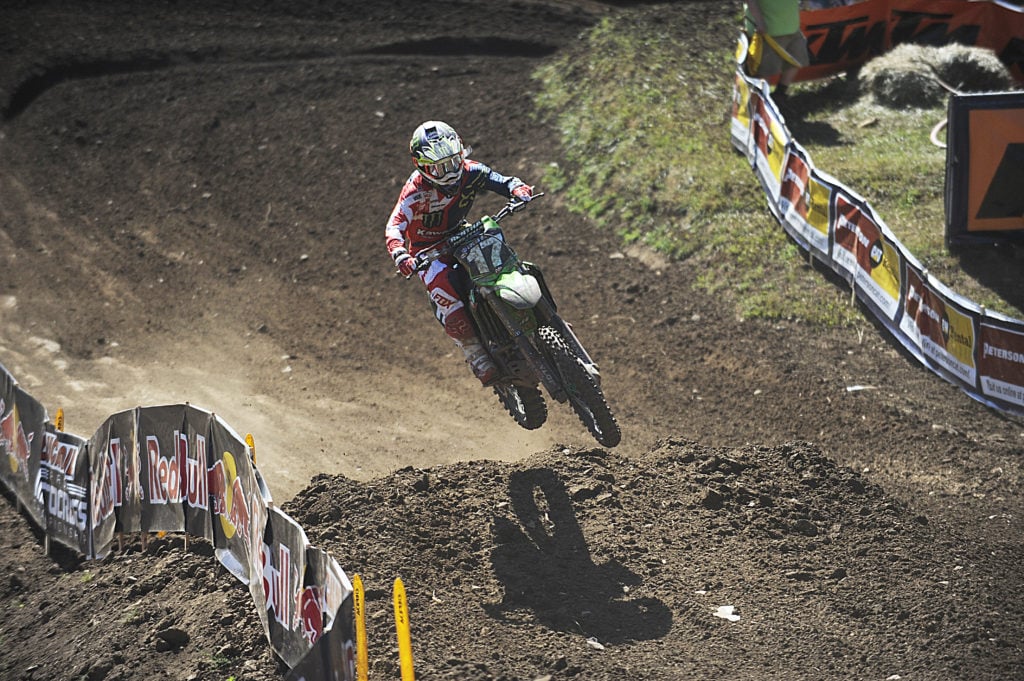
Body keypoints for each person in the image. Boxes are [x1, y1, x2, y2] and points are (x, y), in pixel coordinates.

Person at [385, 120, 534, 386]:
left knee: (500, 253)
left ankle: (537, 314)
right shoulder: (415, 191)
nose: (449, 172)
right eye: (440, 168)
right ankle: (475, 353)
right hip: (427, 251)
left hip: (461, 233)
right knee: (444, 288)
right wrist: (400, 254)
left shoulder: (471, 170)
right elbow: (394, 225)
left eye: (453, 162)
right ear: (423, 167)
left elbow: (501, 181)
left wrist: (517, 189)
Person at [744, 0, 811, 102]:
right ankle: (762, 102)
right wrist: (760, 22)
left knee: (796, 61)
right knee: (764, 70)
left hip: (792, 28)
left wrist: (806, 4)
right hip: (767, 33)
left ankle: (781, 93)